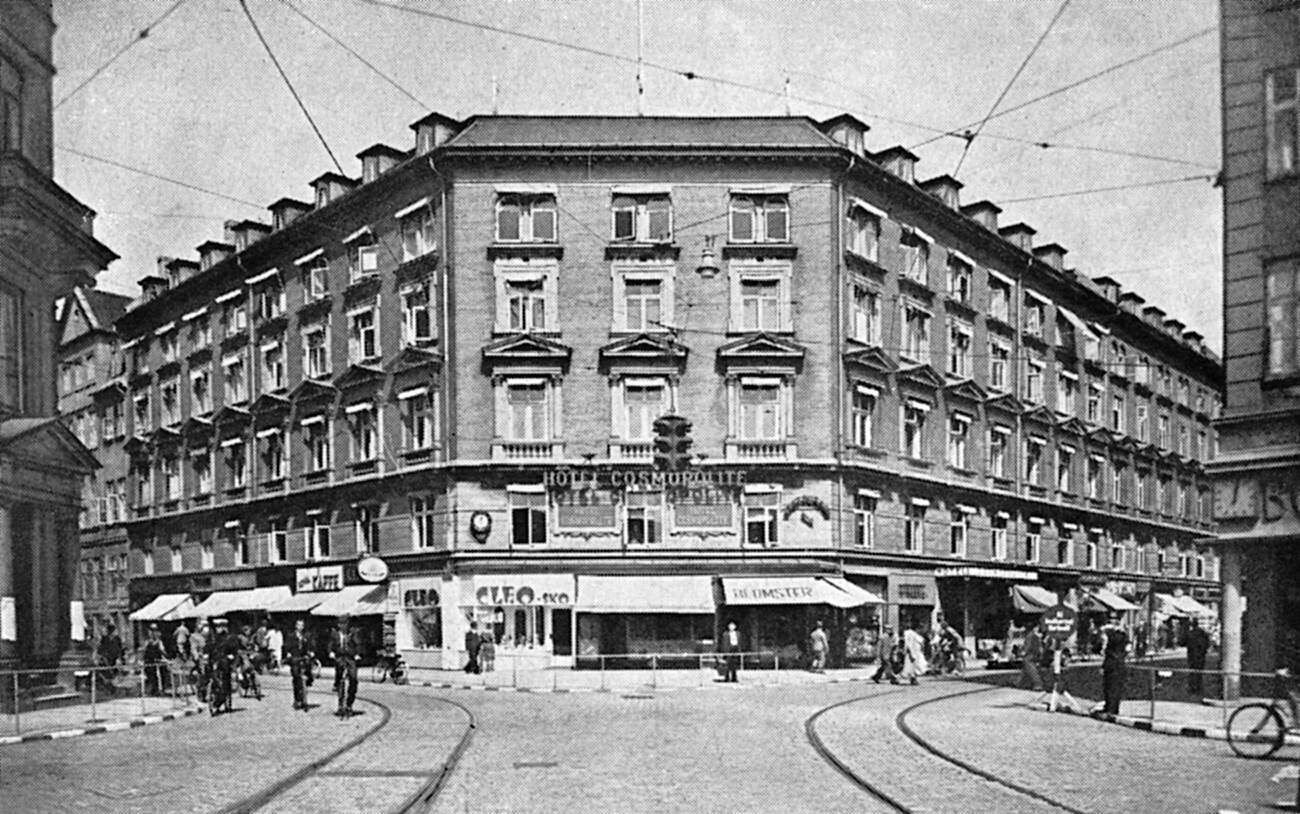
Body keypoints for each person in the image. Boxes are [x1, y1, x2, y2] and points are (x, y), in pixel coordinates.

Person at [329, 616, 359, 717]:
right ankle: (340, 703)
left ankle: (349, 704)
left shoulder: (352, 633)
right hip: (339, 657)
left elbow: (358, 644)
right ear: (338, 625)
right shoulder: (335, 634)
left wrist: (357, 654)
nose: (343, 626)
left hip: (350, 658)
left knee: (353, 679)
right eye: (341, 624)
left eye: (345, 624)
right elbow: (330, 645)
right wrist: (331, 652)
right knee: (340, 678)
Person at [1100, 615, 1130, 716]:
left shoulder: (1110, 635)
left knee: (1109, 687)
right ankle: (1114, 708)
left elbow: (1105, 649)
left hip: (1111, 664)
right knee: (1117, 687)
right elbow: (1128, 649)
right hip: (1120, 664)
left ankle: (1110, 709)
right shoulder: (1124, 636)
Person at [283, 618, 314, 711]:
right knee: (296, 677)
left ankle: (308, 682)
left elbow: (310, 645)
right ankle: (297, 699)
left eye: (302, 625)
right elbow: (287, 646)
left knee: (308, 671)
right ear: (296, 626)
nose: (301, 627)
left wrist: (311, 652)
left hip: (303, 657)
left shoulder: (306, 636)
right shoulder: (291, 636)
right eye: (299, 625)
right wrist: (288, 653)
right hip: (295, 658)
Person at [141, 624, 170, 695]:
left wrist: (167, 657)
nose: (153, 633)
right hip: (149, 661)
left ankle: (160, 689)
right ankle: (153, 690)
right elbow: (143, 651)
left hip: (157, 661)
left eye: (155, 631)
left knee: (161, 675)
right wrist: (141, 660)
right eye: (152, 631)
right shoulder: (147, 642)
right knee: (151, 676)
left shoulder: (158, 642)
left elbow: (162, 650)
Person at [1185, 618, 1211, 698]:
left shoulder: (1190, 633)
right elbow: (1207, 643)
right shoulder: (1203, 633)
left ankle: (1193, 687)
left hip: (1192, 655)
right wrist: (1204, 650)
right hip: (1200, 655)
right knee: (1199, 672)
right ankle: (1199, 687)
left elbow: (1183, 642)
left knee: (1192, 671)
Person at [1019, 625, 1044, 692]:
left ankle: (1038, 685)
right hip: (1035, 654)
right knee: (1026, 669)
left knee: (1031, 669)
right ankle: (1023, 683)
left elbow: (1028, 645)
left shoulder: (1030, 636)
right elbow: (1040, 647)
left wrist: (1024, 652)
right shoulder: (1036, 636)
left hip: (1030, 655)